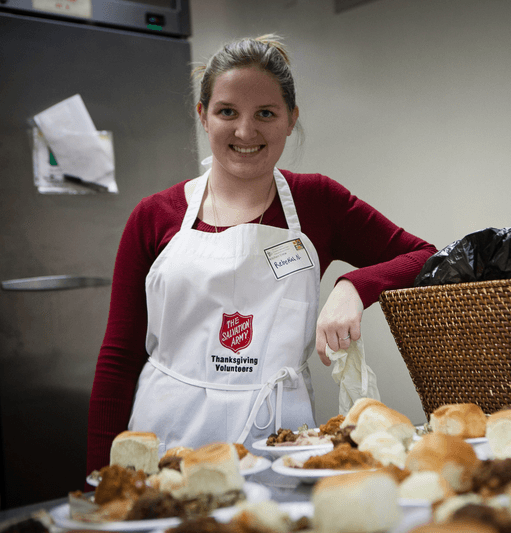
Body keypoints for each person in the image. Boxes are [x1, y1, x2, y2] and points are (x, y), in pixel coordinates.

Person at [85, 34, 436, 475]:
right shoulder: (154, 216)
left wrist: (354, 286)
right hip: (167, 442)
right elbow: (119, 359)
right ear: (203, 116)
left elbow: (427, 257)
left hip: (277, 444)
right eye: (227, 112)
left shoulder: (318, 201)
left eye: (265, 113)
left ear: (291, 120)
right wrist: (99, 480)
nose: (246, 131)